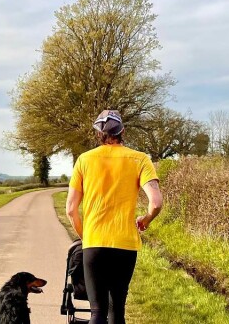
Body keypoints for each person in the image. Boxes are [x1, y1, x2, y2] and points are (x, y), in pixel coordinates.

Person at [66, 109, 163, 324]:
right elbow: (156, 203)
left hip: (94, 243)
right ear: (123, 131)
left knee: (97, 312)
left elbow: (71, 209)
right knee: (117, 311)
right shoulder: (140, 159)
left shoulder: (84, 160)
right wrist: (145, 220)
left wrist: (87, 236)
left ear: (98, 134)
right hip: (125, 245)